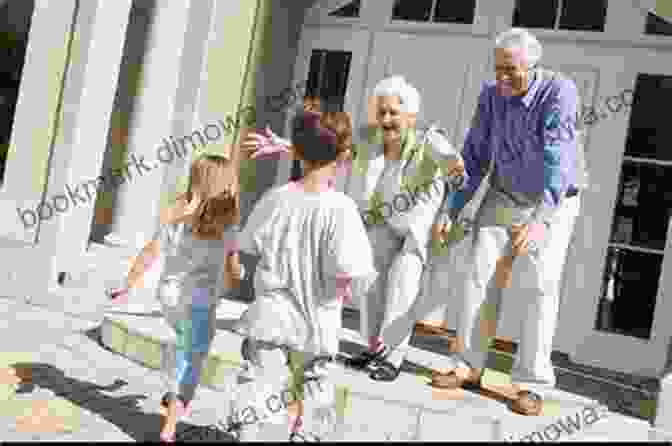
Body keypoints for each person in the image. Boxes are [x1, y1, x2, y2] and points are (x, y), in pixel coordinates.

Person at [431, 28, 585, 416]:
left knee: (540, 284)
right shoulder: (491, 95)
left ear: (533, 66)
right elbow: (476, 154)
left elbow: (558, 160)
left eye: (510, 71)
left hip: (553, 199)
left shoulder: (559, 92)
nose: (501, 78)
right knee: (478, 274)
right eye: (497, 69)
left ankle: (531, 384)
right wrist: (452, 208)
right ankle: (468, 364)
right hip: (504, 193)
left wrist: (541, 221)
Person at [230, 110, 376, 441]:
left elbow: (247, 245)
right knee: (316, 386)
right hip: (318, 317)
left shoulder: (276, 199)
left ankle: (247, 436)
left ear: (296, 151)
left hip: (272, 313)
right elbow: (354, 271)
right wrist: (346, 294)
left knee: (257, 381)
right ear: (342, 156)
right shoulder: (342, 209)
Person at [106, 154, 245, 442]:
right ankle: (170, 425)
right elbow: (233, 270)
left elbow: (149, 253)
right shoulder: (228, 226)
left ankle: (174, 381)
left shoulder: (176, 218)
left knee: (184, 344)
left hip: (169, 298)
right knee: (192, 363)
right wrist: (235, 278)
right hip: (200, 303)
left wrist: (127, 284)